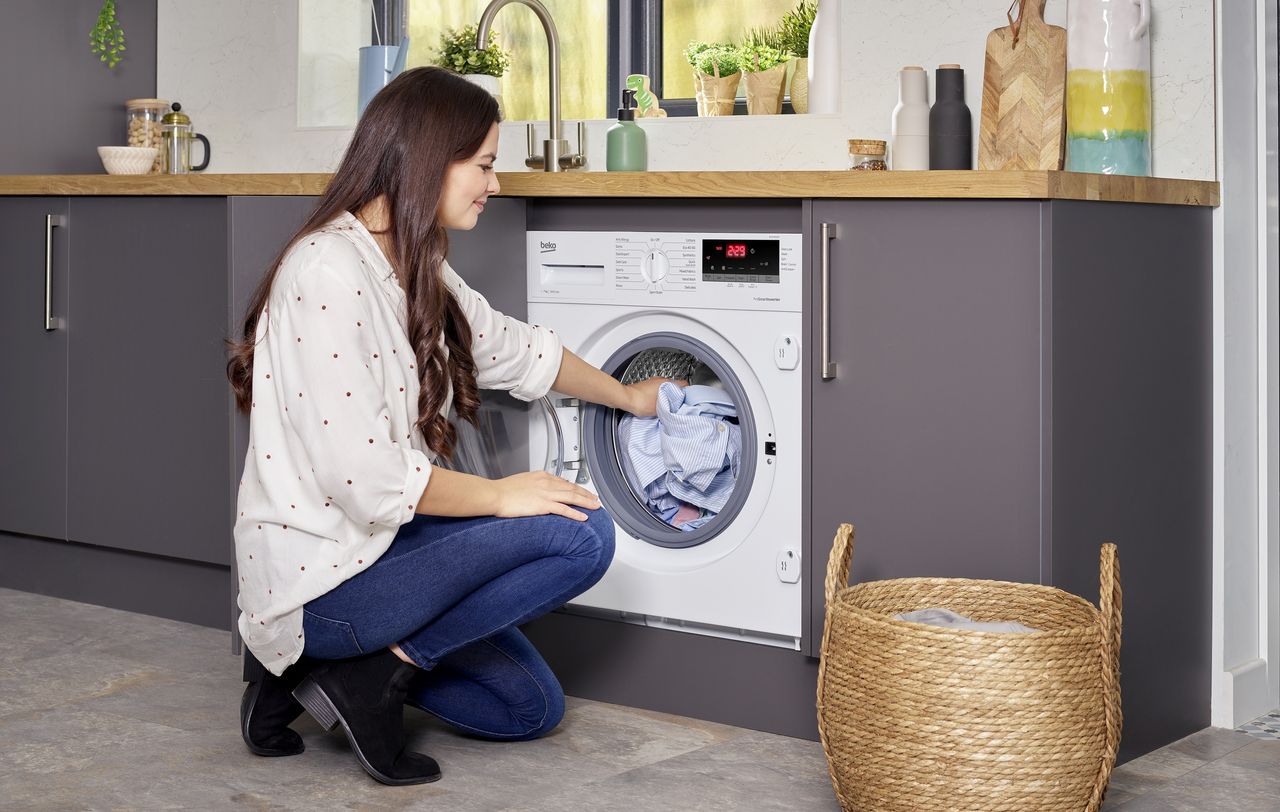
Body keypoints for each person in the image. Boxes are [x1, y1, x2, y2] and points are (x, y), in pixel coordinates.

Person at [225, 67, 674, 786]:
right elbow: (364, 480)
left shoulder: (413, 257)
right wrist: (500, 495)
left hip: (385, 552)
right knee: (581, 532)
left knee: (527, 710)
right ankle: (346, 664)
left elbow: (514, 348)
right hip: (323, 579)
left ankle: (314, 675)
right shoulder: (326, 271)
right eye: (486, 165)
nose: (495, 184)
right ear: (430, 157)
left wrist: (629, 396)